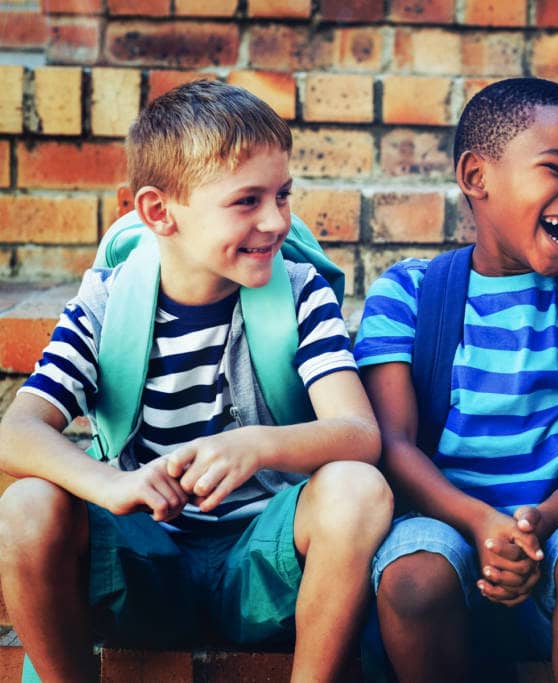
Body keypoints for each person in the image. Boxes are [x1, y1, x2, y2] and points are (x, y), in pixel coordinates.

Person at [0, 80, 392, 682]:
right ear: (160, 212)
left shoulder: (300, 293)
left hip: (268, 568)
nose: (277, 220)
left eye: (283, 195)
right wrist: (109, 484)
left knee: (357, 488)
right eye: (247, 201)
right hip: (144, 560)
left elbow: (360, 433)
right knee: (26, 504)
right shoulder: (107, 304)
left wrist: (258, 444)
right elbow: (18, 432)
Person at [353, 77, 558, 682]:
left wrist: (535, 523)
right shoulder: (407, 294)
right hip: (448, 535)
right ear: (476, 177)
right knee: (412, 572)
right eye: (556, 169)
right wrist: (478, 524)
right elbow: (393, 442)